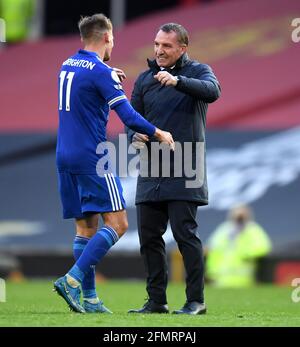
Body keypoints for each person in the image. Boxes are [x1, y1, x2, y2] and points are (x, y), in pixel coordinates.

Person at [53, 14, 174, 314]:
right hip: (93, 157)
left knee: (85, 228)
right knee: (118, 225)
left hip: (64, 155)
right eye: (113, 40)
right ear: (107, 37)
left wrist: (106, 75)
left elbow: (90, 81)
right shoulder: (100, 72)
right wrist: (158, 132)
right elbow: (129, 117)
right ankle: (72, 280)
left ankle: (91, 299)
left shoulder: (68, 65)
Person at [127, 23, 221, 315]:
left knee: (185, 235)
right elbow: (133, 119)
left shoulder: (198, 72)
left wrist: (177, 81)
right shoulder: (144, 80)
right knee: (149, 239)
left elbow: (213, 91)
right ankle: (156, 301)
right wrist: (136, 135)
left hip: (184, 168)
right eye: (156, 44)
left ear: (182, 48)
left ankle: (196, 301)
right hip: (152, 170)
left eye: (166, 46)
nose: (159, 51)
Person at [205, 204, 272, 287]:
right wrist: (211, 272)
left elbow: (263, 248)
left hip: (243, 280)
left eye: (241, 216)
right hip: (220, 280)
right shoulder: (224, 230)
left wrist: (245, 254)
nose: (239, 219)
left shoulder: (253, 230)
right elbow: (212, 250)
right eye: (237, 215)